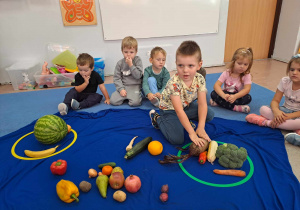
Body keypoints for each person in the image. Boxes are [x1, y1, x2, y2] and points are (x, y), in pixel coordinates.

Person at [149, 40, 214, 147]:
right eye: (181, 65)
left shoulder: (200, 78)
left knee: (209, 114)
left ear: (199, 65)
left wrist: (201, 127)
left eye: (190, 66)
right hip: (169, 110)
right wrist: (192, 133)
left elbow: (202, 104)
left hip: (185, 106)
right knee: (177, 140)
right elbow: (178, 111)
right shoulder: (174, 83)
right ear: (176, 64)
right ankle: (158, 119)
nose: (185, 70)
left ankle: (183, 122)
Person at [246, 54, 300, 146]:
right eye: (292, 69)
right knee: (263, 109)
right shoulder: (285, 81)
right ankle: (292, 127)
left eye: (299, 70)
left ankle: (266, 122)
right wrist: (276, 112)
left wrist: (288, 116)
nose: (294, 72)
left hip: (297, 114)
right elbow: (275, 101)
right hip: (283, 111)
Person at [210, 47, 253, 113]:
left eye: (245, 64)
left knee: (248, 98)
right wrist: (223, 95)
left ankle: (219, 103)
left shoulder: (247, 75)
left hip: (238, 96)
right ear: (233, 62)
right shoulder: (226, 72)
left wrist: (235, 96)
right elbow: (216, 85)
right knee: (213, 93)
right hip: (226, 95)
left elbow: (247, 89)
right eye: (239, 63)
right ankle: (236, 108)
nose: (242, 66)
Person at [110, 36, 143, 106]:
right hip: (124, 86)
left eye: (131, 52)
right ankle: (126, 96)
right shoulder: (120, 63)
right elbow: (117, 78)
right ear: (122, 51)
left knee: (135, 103)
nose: (128, 54)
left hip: (135, 86)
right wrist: (121, 89)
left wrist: (131, 65)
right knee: (113, 101)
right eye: (126, 52)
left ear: (136, 52)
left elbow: (138, 76)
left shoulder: (138, 60)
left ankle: (133, 96)